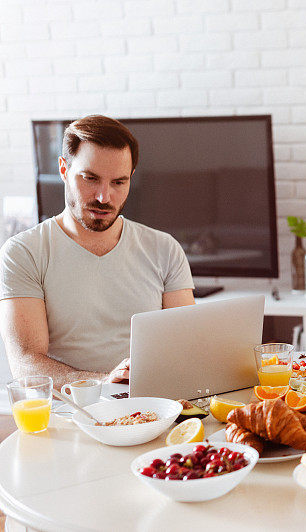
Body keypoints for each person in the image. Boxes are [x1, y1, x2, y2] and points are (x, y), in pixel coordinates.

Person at [0, 115, 195, 389]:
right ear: (63, 170)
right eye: (90, 178)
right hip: (70, 411)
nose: (104, 197)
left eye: (118, 182)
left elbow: (187, 346)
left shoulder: (165, 249)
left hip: (149, 406)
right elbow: (26, 363)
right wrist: (103, 383)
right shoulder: (23, 252)